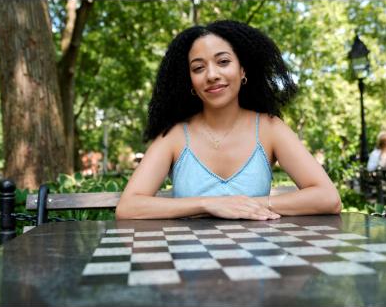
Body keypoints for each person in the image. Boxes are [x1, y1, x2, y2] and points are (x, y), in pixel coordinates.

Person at [116, 20, 341, 220]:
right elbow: (128, 207)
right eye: (198, 68)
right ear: (191, 81)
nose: (212, 74)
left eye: (223, 62)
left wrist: (247, 206)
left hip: (256, 264)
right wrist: (210, 204)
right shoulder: (174, 136)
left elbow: (328, 198)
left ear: (242, 70)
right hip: (188, 262)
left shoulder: (270, 129)